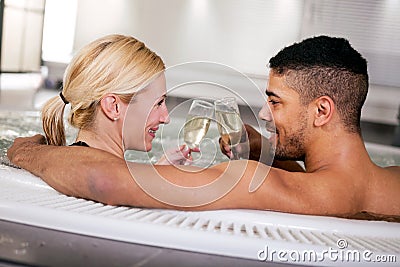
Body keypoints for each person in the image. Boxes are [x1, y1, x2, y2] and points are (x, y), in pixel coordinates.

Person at [7, 35, 400, 221]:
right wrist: (269, 152)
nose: (263, 115)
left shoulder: (265, 184)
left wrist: (24, 150)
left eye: (275, 102)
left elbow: (104, 181)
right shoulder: (392, 184)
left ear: (322, 110)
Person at [40, 34, 193, 165]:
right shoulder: (101, 179)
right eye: (158, 103)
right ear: (113, 107)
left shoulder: (75, 165)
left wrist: (157, 174)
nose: (166, 118)